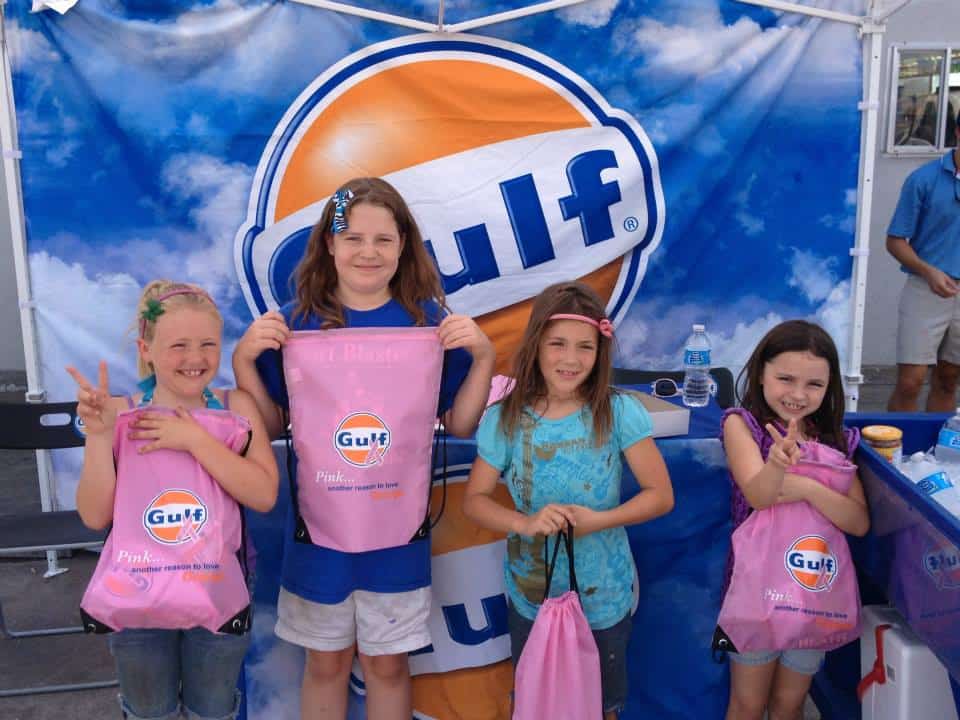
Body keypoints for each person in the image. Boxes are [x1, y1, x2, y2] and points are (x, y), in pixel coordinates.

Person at [232, 177, 495, 720]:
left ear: (404, 246)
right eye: (352, 238)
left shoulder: (430, 322)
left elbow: (463, 419)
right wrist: (243, 364)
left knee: (387, 668)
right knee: (325, 666)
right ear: (329, 244)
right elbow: (272, 424)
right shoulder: (296, 321)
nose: (368, 252)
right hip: (317, 538)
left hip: (397, 539)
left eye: (383, 239)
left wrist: (485, 357)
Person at [462, 281, 674, 720]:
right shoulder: (505, 417)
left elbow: (660, 496)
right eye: (557, 344)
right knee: (539, 698)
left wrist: (601, 520)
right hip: (530, 596)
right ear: (536, 343)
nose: (571, 359)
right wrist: (525, 523)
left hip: (603, 598)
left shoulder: (618, 412)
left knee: (601, 705)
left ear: (600, 353)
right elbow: (475, 500)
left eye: (585, 347)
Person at [68, 280, 279, 720]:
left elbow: (263, 495)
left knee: (213, 709)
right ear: (145, 349)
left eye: (208, 344)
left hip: (219, 586)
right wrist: (99, 434)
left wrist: (196, 441)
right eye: (177, 345)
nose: (195, 358)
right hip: (135, 590)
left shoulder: (235, 405)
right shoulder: (121, 412)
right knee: (148, 712)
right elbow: (93, 515)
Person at [721, 320, 869, 720]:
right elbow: (759, 495)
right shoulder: (742, 424)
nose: (798, 395)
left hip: (813, 593)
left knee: (790, 703)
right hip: (753, 592)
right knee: (747, 704)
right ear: (761, 373)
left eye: (814, 385)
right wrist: (775, 465)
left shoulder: (838, 439)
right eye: (785, 378)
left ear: (829, 387)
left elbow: (858, 522)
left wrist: (806, 488)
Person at [886, 109, 960, 412]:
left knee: (949, 378)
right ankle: (888, 449)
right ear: (958, 133)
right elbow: (895, 241)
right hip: (926, 288)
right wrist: (928, 271)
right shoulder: (923, 179)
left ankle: (934, 453)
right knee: (910, 381)